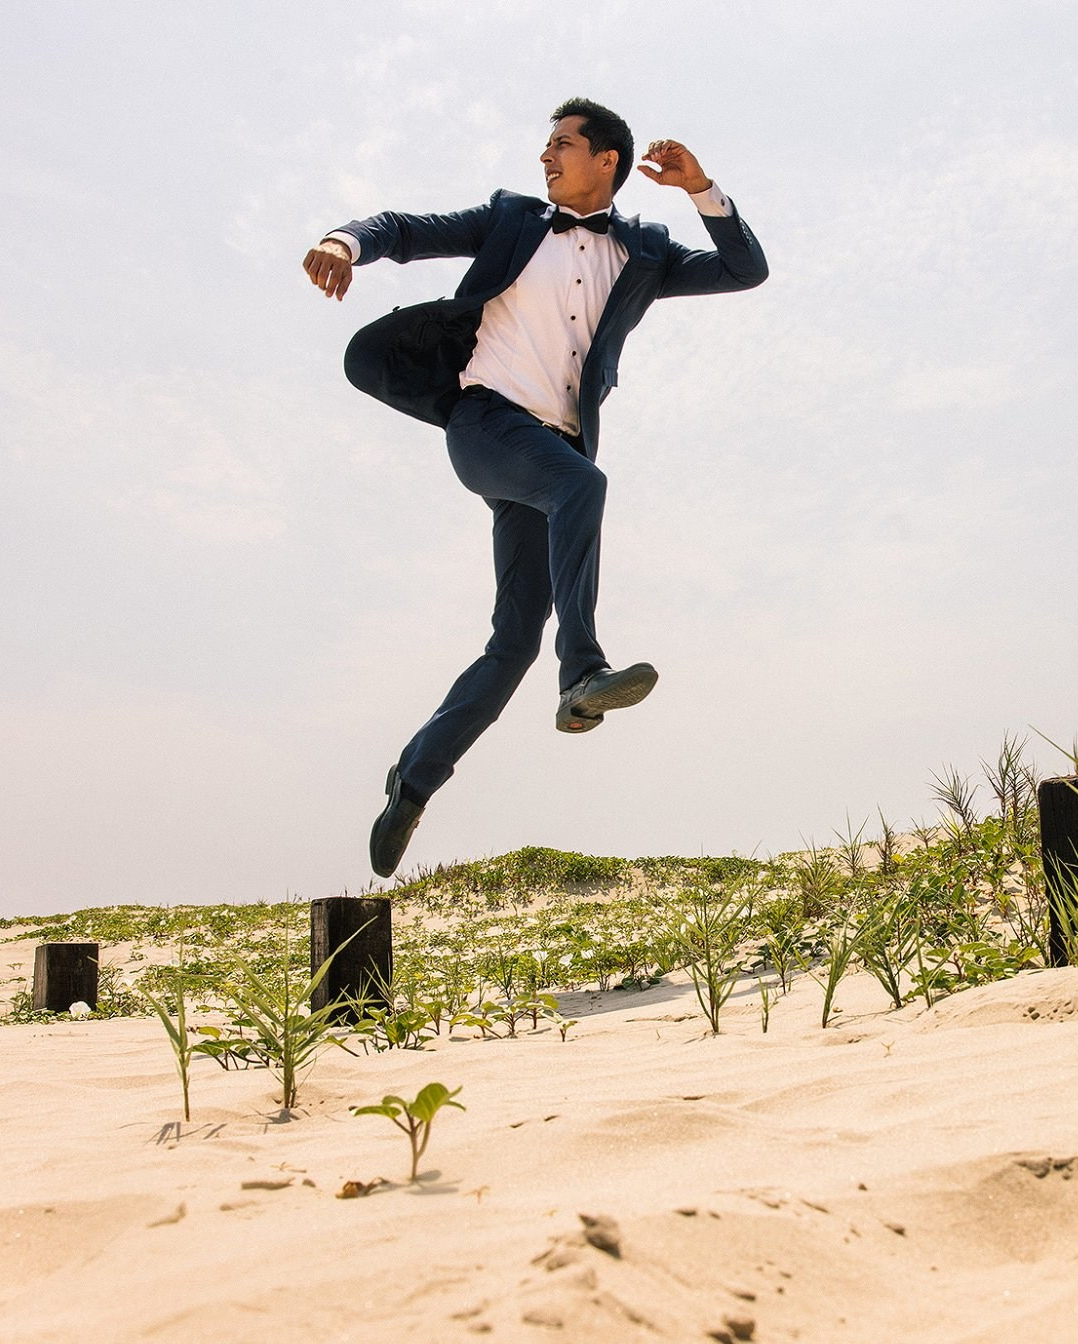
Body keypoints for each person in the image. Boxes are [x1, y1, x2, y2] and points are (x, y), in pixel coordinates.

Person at [302, 97, 769, 878]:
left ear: (606, 160)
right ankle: (583, 670)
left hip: (548, 455)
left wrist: (702, 190)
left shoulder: (645, 251)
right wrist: (342, 241)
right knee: (584, 487)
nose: (545, 157)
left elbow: (744, 270)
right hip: (486, 427)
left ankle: (413, 781)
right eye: (544, 145)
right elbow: (405, 228)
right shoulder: (512, 219)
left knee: (512, 642)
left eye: (561, 144)